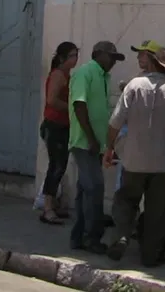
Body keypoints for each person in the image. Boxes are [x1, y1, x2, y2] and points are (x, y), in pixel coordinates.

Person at [105, 42, 165, 266]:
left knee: (125, 200)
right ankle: (150, 258)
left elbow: (115, 122)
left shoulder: (134, 85)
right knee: (157, 213)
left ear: (152, 62)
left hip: (133, 159)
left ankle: (122, 235)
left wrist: (109, 147)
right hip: (162, 163)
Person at [69, 40, 124, 253]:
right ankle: (92, 237)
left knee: (85, 190)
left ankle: (78, 237)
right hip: (84, 143)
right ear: (98, 54)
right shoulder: (86, 73)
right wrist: (91, 138)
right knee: (95, 188)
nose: (113, 62)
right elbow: (79, 105)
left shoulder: (103, 77)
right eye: (111, 57)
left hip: (94, 144)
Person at [38, 42, 79, 224]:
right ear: (62, 58)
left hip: (63, 126)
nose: (75, 59)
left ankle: (53, 203)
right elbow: (52, 100)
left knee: (60, 165)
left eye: (76, 55)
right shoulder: (58, 75)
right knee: (56, 166)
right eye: (71, 55)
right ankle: (47, 207)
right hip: (54, 125)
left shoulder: (67, 76)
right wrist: (72, 108)